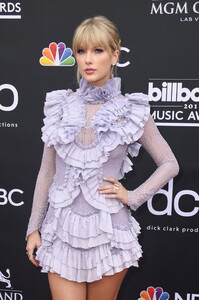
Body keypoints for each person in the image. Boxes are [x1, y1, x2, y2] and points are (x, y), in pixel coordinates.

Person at [26, 16, 179, 300]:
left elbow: (170, 164)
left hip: (110, 233)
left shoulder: (131, 110)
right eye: (81, 51)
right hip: (60, 233)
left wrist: (133, 196)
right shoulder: (60, 106)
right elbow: (46, 173)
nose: (88, 59)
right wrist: (33, 228)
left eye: (98, 51)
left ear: (115, 55)